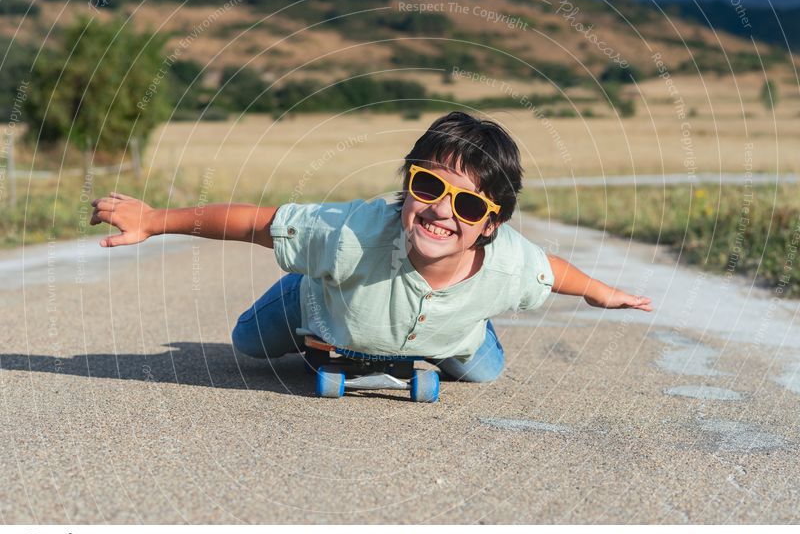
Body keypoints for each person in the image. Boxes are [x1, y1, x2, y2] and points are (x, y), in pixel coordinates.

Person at [91, 111, 652, 383]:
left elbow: (549, 272)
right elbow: (256, 223)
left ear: (491, 224)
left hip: (452, 325)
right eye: (428, 186)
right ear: (408, 185)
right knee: (248, 344)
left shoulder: (507, 265)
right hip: (326, 307)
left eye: (469, 205)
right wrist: (154, 219)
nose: (440, 211)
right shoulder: (350, 235)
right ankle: (309, 283)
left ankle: (466, 325)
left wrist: (599, 292)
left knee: (485, 373)